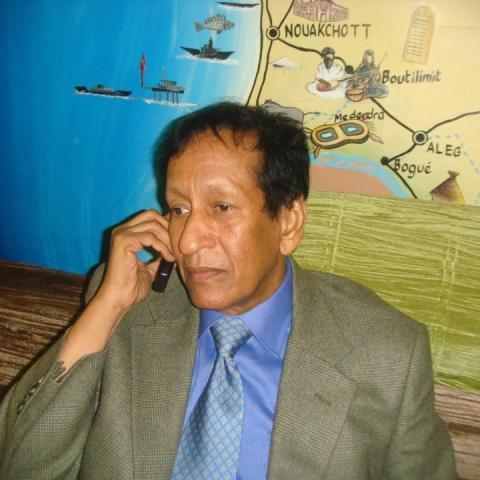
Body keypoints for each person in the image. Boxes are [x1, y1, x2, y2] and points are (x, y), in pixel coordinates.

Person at [0, 102, 457, 479]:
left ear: (288, 222)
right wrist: (106, 308)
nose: (187, 240)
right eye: (179, 209)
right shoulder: (129, 308)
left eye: (221, 207)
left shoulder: (386, 352)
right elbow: (19, 463)